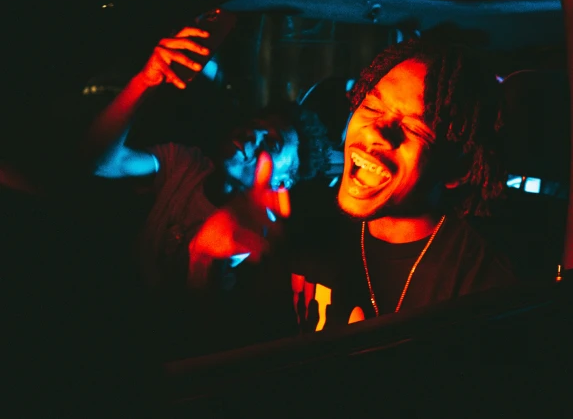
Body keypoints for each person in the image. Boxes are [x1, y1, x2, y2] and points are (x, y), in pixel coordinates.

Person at [289, 35, 517, 332]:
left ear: (456, 170)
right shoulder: (299, 223)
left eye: (414, 128)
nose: (377, 133)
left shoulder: (485, 284)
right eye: (371, 107)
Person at [81, 27, 332, 292]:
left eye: (271, 143)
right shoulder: (188, 165)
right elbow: (99, 162)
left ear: (283, 181)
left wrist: (202, 258)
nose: (253, 132)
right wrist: (144, 81)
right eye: (255, 124)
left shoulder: (254, 241)